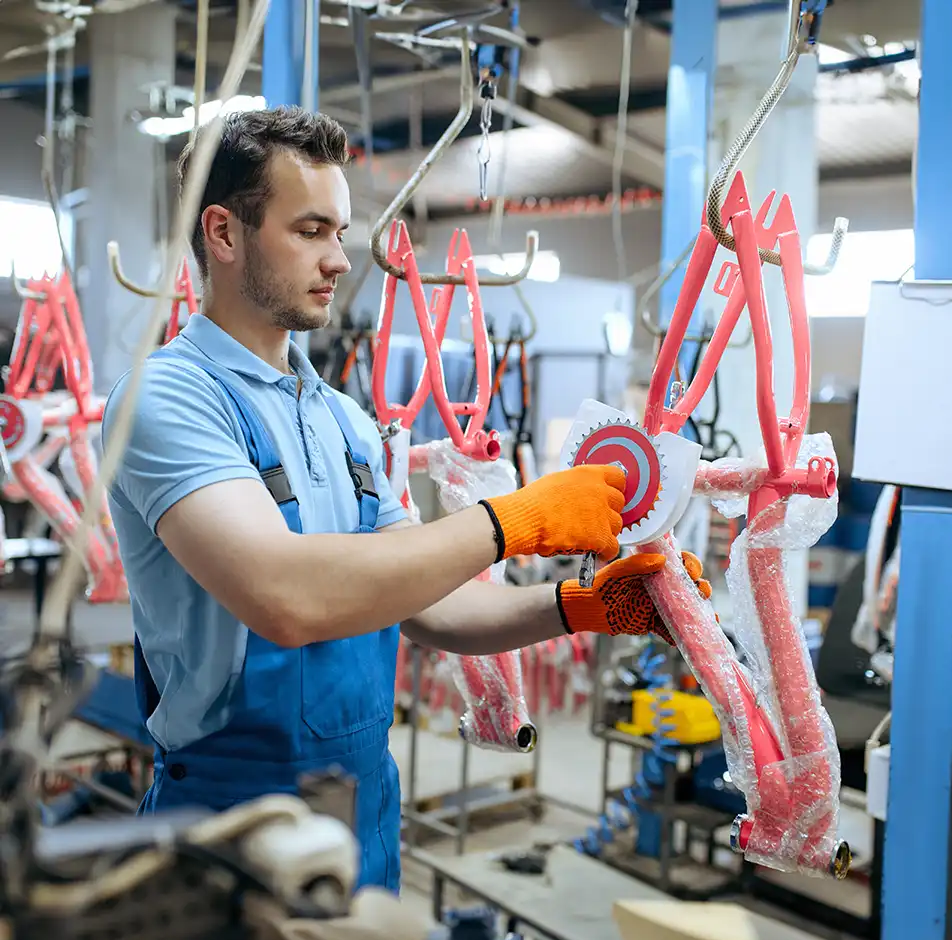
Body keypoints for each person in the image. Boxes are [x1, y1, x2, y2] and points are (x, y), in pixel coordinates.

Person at [102, 107, 709, 896]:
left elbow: (433, 608)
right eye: (311, 230)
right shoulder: (168, 398)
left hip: (362, 808)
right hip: (233, 818)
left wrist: (580, 607)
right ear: (223, 233)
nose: (337, 259)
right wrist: (513, 521)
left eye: (341, 231)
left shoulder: (342, 420)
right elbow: (284, 596)